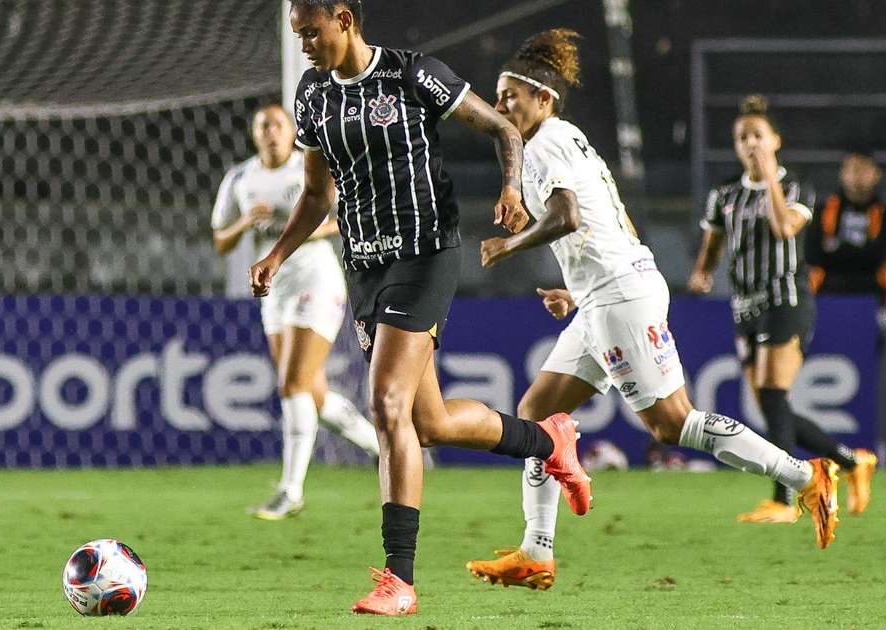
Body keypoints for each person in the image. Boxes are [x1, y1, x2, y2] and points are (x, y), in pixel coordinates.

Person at [465, 29, 843, 591]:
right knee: (537, 410)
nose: (500, 108)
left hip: (619, 295)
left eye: (510, 97)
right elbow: (610, 224)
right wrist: (582, 287)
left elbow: (567, 216)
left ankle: (805, 475)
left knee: (673, 423)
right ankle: (536, 550)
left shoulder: (544, 144)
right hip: (608, 293)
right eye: (497, 97)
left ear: (544, 100)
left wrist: (510, 245)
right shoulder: (568, 138)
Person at [249, 1, 591, 616]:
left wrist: (511, 187)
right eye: (296, 34)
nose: (302, 43)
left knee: (386, 405)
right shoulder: (312, 94)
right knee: (427, 421)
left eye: (310, 31)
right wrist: (277, 254)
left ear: (344, 18)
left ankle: (398, 580)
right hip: (364, 268)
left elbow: (503, 129)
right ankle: (548, 439)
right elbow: (315, 193)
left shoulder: (412, 74)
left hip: (426, 255)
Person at [688, 96, 877, 524]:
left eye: (758, 135)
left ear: (775, 140)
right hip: (745, 307)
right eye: (742, 137)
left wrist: (769, 177)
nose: (750, 143)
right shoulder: (725, 195)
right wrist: (701, 273)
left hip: (786, 300)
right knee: (775, 408)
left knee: (773, 397)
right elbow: (713, 243)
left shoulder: (795, 188)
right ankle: (851, 462)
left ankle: (785, 499)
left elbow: (784, 226)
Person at [212, 103, 382, 520]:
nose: (271, 132)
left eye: (278, 125)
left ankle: (291, 491)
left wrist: (298, 228)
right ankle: (383, 446)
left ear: (291, 132)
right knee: (313, 392)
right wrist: (246, 222)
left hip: (316, 278)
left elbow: (345, 219)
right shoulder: (240, 178)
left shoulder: (312, 169)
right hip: (273, 289)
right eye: (262, 126)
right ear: (255, 135)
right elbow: (220, 241)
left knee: (292, 383)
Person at [806, 150, 886, 346]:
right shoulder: (824, 209)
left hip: (872, 296)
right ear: (843, 173)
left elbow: (882, 254)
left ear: (876, 174)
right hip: (827, 294)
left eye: (864, 169)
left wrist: (837, 251)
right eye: (853, 169)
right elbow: (813, 254)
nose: (858, 176)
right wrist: (861, 253)